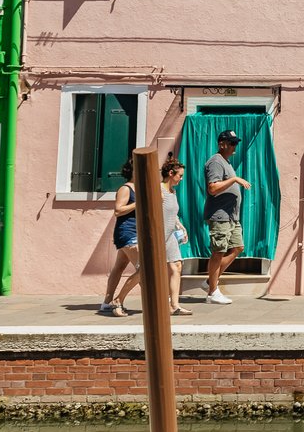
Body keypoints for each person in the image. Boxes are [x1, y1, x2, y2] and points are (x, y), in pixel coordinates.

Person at [115, 158, 193, 316]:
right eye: (180, 175)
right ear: (171, 174)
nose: (181, 179)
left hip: (169, 235)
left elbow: (171, 212)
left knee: (176, 266)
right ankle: (118, 300)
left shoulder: (173, 191)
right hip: (156, 236)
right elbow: (146, 211)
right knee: (144, 271)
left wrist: (180, 225)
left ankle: (174, 305)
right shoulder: (157, 189)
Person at [203, 129, 251, 305]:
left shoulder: (226, 162)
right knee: (218, 252)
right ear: (221, 144)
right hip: (220, 215)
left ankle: (210, 281)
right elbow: (212, 188)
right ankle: (212, 292)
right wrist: (234, 180)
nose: (234, 147)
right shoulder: (216, 162)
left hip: (231, 217)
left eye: (236, 143)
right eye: (232, 143)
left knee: (238, 247)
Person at [98, 160, 140, 317]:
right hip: (128, 233)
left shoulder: (139, 188)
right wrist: (138, 203)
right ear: (133, 171)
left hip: (135, 233)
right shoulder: (126, 189)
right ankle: (118, 300)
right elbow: (118, 210)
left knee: (119, 267)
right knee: (143, 269)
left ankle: (106, 303)